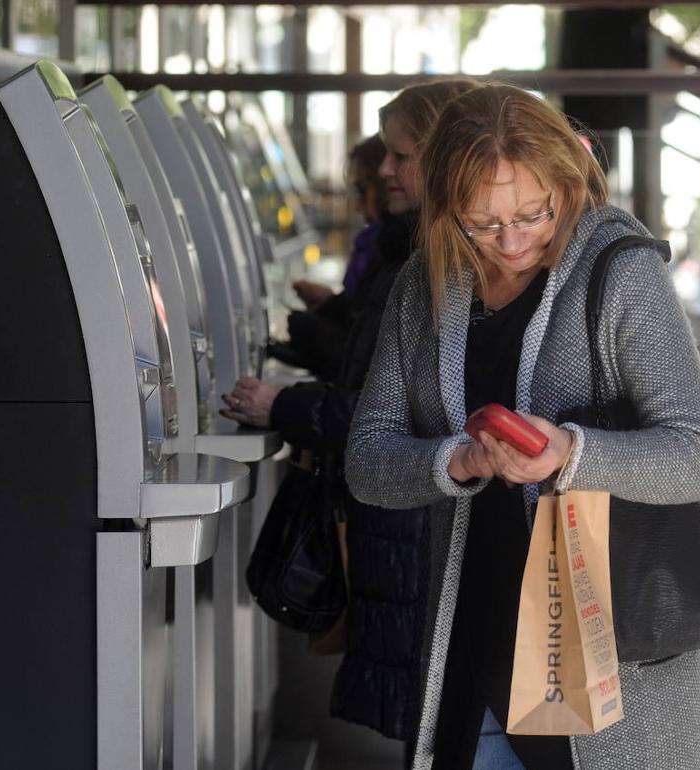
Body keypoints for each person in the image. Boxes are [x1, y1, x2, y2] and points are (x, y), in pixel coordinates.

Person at [345, 83, 700, 770]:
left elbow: (697, 457)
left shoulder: (620, 272)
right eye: (483, 223)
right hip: (476, 654)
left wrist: (570, 454)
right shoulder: (425, 285)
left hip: (615, 668)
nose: (513, 241)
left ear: (565, 183)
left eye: (534, 214)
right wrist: (457, 461)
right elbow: (368, 461)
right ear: (443, 210)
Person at [224, 80, 477, 746]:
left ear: (450, 156)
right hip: (405, 525)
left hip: (414, 524)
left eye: (401, 156)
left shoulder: (435, 263)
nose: (384, 170)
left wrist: (286, 404)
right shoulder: (412, 254)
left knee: (437, 721)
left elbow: (385, 417)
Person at [274, 134, 388, 380]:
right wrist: (331, 303)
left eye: (361, 189)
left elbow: (362, 359)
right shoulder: (376, 244)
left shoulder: (393, 250)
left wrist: (309, 329)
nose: (357, 205)